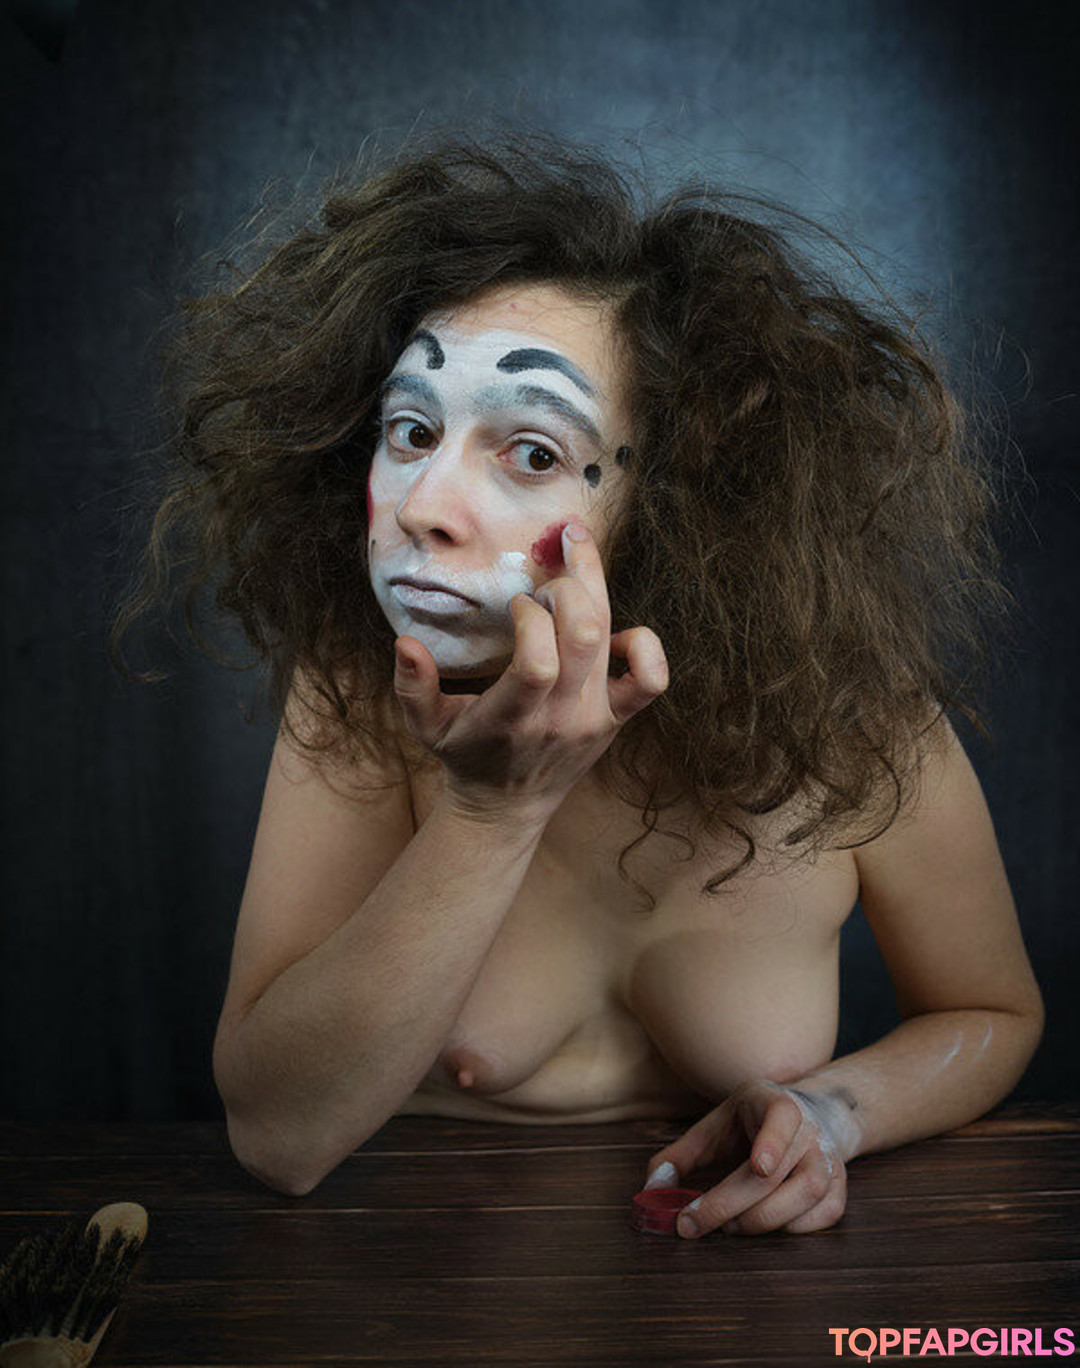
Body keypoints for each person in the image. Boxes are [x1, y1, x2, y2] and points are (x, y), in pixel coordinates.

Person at [114, 130, 1044, 1237]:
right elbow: (279, 1138)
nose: (423, 505)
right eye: (411, 431)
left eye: (534, 453)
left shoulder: (851, 718)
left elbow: (992, 1011)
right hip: (414, 1275)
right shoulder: (360, 696)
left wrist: (832, 1114)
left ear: (688, 502)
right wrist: (489, 813)